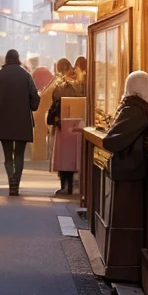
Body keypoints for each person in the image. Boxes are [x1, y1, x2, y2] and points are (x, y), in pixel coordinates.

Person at [0, 49, 40, 196]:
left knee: (7, 155)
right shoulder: (26, 75)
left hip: (4, 119)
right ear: (18, 59)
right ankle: (16, 183)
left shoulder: (0, 75)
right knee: (19, 154)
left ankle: (11, 180)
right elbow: (34, 98)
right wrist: (29, 106)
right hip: (22, 120)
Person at [101, 70, 148, 164]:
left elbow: (110, 142)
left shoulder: (134, 110)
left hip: (128, 167)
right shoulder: (146, 107)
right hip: (135, 167)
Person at [48, 58, 85, 196]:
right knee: (72, 158)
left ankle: (65, 186)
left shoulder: (63, 85)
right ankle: (71, 186)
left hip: (63, 126)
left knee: (63, 158)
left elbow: (56, 101)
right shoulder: (80, 86)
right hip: (76, 126)